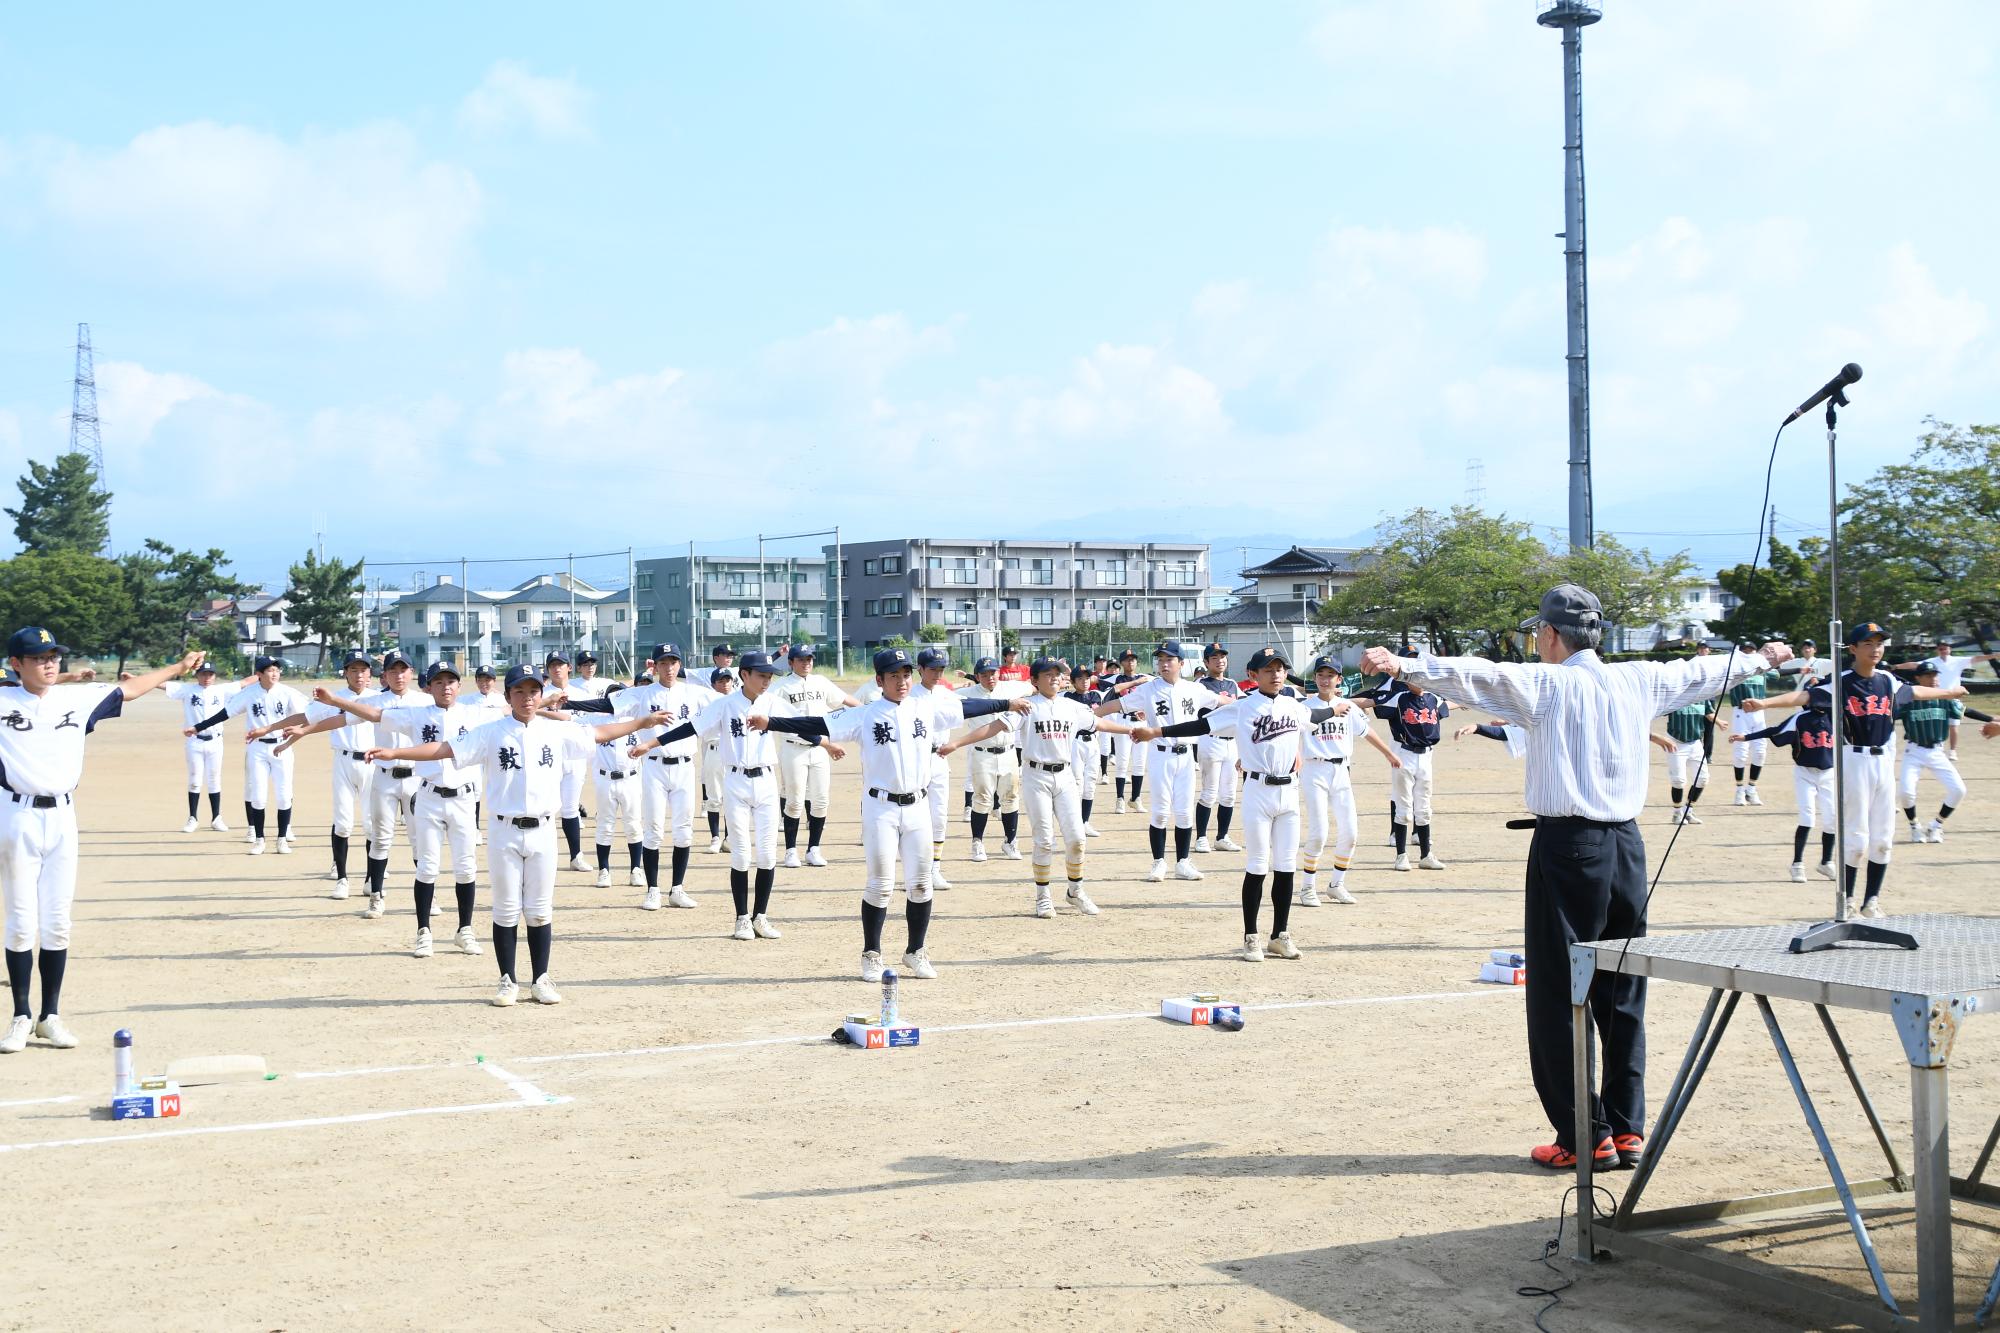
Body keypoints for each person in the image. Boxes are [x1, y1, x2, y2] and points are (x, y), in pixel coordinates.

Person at [1362, 583, 1793, 1170]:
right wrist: (1759, 660)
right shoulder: (1637, 679)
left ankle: (1581, 1136)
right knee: (1623, 988)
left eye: (1537, 633)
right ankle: (1626, 1128)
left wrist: (1406, 663)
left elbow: (1479, 677)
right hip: (1627, 846)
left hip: (1569, 846)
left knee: (1559, 992)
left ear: (1549, 634)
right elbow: (1701, 672)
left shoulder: (1549, 683)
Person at [365, 664, 672, 1006]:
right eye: (519, 692)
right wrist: (394, 753)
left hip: (542, 829)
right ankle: (507, 980)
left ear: (541, 695)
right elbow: (444, 750)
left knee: (540, 910)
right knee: (506, 910)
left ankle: (541, 978)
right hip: (503, 831)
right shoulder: (492, 731)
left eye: (533, 692)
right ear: (508, 696)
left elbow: (599, 733)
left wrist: (643, 723)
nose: (527, 698)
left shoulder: (555, 731)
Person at [754, 648, 1024, 979]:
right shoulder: (865, 714)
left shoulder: (925, 707)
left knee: (921, 884)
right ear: (879, 680)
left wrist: (1006, 704)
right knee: (880, 885)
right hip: (880, 808)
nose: (902, 681)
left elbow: (967, 707)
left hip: (917, 807)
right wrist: (772, 722)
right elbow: (816, 722)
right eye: (894, 675)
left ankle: (916, 951)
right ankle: (871, 953)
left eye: (906, 674)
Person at [0, 632, 204, 1054]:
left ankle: (49, 1016)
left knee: (57, 920)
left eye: (53, 656)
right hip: (16, 814)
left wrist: (179, 668)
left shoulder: (79, 699)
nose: (49, 664)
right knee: (21, 921)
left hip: (63, 817)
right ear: (16, 663)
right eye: (38, 658)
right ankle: (20, 1015)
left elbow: (129, 689)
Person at [1744, 622, 1967, 918]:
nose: (1875, 649)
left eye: (1879, 643)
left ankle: (1871, 900)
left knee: (1883, 839)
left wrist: (1950, 692)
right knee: (1858, 838)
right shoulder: (1842, 681)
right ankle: (1848, 899)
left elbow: (1914, 693)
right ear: (1852, 649)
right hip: (1854, 760)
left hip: (1883, 763)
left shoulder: (1887, 680)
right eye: (1868, 644)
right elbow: (1804, 698)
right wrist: (1765, 703)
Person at [1139, 647, 1348, 961]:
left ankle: (1280, 935)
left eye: (1280, 669)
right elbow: (1202, 726)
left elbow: (1316, 714)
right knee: (1258, 865)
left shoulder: (1293, 705)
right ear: (1253, 675)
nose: (1276, 674)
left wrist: (1339, 708)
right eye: (1268, 669)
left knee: (1286, 867)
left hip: (1289, 792)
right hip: (1258, 791)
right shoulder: (1243, 706)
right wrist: (1156, 731)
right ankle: (1251, 936)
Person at [635, 652, 839, 942]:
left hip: (767, 780)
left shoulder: (774, 703)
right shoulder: (725, 705)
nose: (767, 681)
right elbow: (690, 728)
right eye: (761, 676)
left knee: (768, 853)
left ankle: (761, 917)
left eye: (769, 676)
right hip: (736, 781)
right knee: (742, 853)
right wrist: (651, 744)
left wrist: (826, 744)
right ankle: (742, 918)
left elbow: (803, 725)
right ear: (744, 675)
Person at [308, 663, 485, 957]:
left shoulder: (475, 713)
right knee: (424, 863)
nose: (445, 687)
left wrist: (545, 702)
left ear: (459, 686)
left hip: (463, 799)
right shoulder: (417, 714)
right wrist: (334, 701)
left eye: (451, 681)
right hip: (425, 793)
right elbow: (375, 715)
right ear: (430, 686)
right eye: (439, 682)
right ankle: (423, 932)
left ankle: (465, 930)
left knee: (466, 867)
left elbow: (516, 711)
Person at [948, 658, 1142, 919]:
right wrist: (957, 743)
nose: (1054, 678)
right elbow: (992, 727)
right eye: (1047, 674)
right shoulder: (1026, 707)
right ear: (1034, 681)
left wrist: (1130, 730)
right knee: (1044, 839)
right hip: (1036, 776)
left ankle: (1075, 890)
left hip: (1065, 776)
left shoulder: (1071, 706)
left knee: (1077, 838)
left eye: (1057, 674)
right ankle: (1043, 896)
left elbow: (1100, 723)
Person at [266, 650, 427, 916]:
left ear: (411, 673)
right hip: (379, 772)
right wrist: (302, 731)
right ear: (385, 675)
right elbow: (340, 718)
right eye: (393, 671)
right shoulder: (375, 701)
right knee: (374, 835)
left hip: (413, 776)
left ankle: (426, 896)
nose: (399, 675)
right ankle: (368, 891)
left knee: (418, 839)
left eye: (404, 670)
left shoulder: (424, 701)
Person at [573, 643, 717, 910]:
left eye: (674, 662)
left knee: (684, 831)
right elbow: (606, 704)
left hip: (685, 766)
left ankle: (677, 888)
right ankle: (653, 890)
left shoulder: (695, 693)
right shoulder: (642, 693)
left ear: (679, 664)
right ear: (655, 666)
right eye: (663, 662)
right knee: (653, 830)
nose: (669, 667)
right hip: (653, 766)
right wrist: (569, 702)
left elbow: (727, 703)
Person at [1097, 641, 1213, 882]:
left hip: (1186, 757)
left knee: (1183, 813)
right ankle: (1159, 862)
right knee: (1160, 812)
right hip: (1161, 754)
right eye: (1160, 660)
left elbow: (1223, 703)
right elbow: (1117, 705)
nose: (1163, 663)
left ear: (1181, 664)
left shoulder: (1194, 689)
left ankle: (1183, 863)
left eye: (1169, 659)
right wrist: (1090, 714)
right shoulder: (1149, 689)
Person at [1301, 655, 1399, 906]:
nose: (1325, 680)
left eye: (1330, 675)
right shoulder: (1304, 706)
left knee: (1351, 832)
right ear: (1314, 679)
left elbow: (1367, 732)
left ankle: (1336, 883)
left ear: (1339, 679)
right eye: (1320, 675)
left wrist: (1389, 754)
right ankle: (1307, 887)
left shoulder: (1349, 707)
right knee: (1319, 831)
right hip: (1315, 770)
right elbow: (1292, 732)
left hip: (1341, 770)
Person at [187, 655, 308, 856]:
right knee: (258, 796)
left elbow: (308, 713)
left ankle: (281, 839)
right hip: (257, 748)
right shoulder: (250, 693)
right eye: (269, 670)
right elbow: (225, 713)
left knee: (284, 795)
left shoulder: (287, 692)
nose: (274, 674)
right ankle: (259, 839)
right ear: (259, 674)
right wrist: (198, 727)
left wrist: (296, 730)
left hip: (282, 746)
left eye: (277, 670)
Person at [278, 650, 375, 897]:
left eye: (363, 669)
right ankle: (342, 878)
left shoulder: (378, 699)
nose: (358, 674)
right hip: (343, 761)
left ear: (370, 673)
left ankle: (371, 878)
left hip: (372, 763)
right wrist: (275, 734)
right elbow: (306, 719)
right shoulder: (333, 698)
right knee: (342, 822)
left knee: (371, 824)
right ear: (345, 673)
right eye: (353, 670)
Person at [766, 644, 861, 868]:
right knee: (794, 801)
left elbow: (845, 699)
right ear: (790, 663)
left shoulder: (820, 682)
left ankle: (813, 849)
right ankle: (790, 850)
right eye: (801, 659)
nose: (806, 662)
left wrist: (870, 710)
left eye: (809, 658)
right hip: (793, 748)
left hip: (819, 750)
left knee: (820, 800)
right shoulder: (781, 687)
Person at [1728, 694, 1838, 882]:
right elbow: (1776, 730)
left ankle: (1826, 862)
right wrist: (1746, 737)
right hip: (1805, 773)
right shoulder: (1801, 718)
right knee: (1807, 817)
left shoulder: (1836, 718)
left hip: (1828, 773)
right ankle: (1797, 864)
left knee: (1832, 818)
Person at [1354, 667, 1451, 871]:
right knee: (1404, 807)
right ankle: (1401, 855)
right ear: (1407, 681)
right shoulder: (1399, 698)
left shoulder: (1434, 698)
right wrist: (1340, 702)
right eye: (1415, 678)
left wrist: (1474, 700)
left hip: (1426, 756)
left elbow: (1450, 704)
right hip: (1404, 755)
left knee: (1424, 807)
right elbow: (1371, 702)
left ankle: (1426, 855)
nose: (1420, 682)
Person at [1895, 661, 1993, 844]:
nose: (1933, 679)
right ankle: (1915, 826)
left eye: (1935, 675)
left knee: (1958, 790)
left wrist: (1992, 719)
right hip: (1914, 751)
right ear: (1917, 678)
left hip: (1937, 752)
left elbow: (1966, 711)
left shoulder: (1944, 698)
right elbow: (1890, 715)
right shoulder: (1909, 700)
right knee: (1906, 793)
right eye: (1928, 675)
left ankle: (1936, 825)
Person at [960, 657, 1025, 862]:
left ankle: (1010, 841)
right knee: (982, 799)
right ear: (977, 676)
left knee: (1011, 797)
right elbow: (942, 699)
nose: (990, 677)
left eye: (993, 673)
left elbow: (1034, 687)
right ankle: (977, 843)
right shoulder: (968, 693)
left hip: (1008, 751)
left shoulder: (1010, 688)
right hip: (982, 752)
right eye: (985, 674)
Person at [164, 661, 240, 833]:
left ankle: (216, 818)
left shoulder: (221, 690)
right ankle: (193, 818)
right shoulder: (187, 690)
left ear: (215, 676)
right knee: (195, 779)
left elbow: (244, 683)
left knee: (214, 779)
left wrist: (264, 674)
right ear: (197, 675)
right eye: (203, 674)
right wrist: (136, 679)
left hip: (215, 741)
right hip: (194, 741)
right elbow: (164, 685)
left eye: (210, 674)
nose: (207, 678)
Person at [1892, 639, 1999, 758]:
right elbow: (1913, 664)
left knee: (1953, 725)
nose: (1933, 679)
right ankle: (1937, 744)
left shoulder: (1958, 661)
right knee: (1934, 721)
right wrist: (1895, 666)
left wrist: (1995, 655)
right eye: (1940, 648)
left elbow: (1977, 659)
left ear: (1950, 649)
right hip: (1931, 696)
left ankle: (1952, 750)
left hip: (1950, 698)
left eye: (1945, 647)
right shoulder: (1931, 663)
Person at [909, 649, 959, 888]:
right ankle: (915, 869)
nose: (937, 673)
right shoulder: (908, 695)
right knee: (914, 818)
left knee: (939, 816)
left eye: (941, 669)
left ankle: (934, 869)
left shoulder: (947, 694)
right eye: (932, 669)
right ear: (920, 669)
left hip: (939, 757)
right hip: (915, 759)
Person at [1192, 642, 1243, 855]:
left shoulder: (1232, 684)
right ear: (1206, 662)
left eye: (1222, 656)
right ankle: (1201, 837)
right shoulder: (1200, 684)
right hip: (1210, 739)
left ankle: (1222, 836)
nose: (1220, 660)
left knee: (1229, 795)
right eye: (1214, 657)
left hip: (1231, 742)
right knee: (1209, 793)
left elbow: (1243, 708)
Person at [1651, 694, 1716, 826]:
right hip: (1676, 742)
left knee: (1702, 779)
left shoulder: (1703, 696)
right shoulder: (1674, 696)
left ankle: (1688, 810)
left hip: (1695, 742)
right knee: (1679, 780)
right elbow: (1655, 710)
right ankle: (1677, 813)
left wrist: (1719, 722)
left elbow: (1709, 713)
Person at [1727, 660, 1776, 806]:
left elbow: (1779, 673)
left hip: (1758, 713)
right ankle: (1739, 790)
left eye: (1751, 650)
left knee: (1760, 751)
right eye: (1745, 651)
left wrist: (1800, 669)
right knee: (1741, 753)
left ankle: (1751, 788)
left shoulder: (1762, 670)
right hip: (1740, 713)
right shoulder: (1735, 670)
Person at [699, 668, 735, 854]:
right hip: (714, 751)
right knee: (713, 798)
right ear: (713, 685)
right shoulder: (707, 703)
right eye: (721, 681)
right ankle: (715, 837)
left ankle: (729, 838)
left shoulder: (738, 701)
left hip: (733, 753)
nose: (725, 683)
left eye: (728, 680)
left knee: (731, 797)